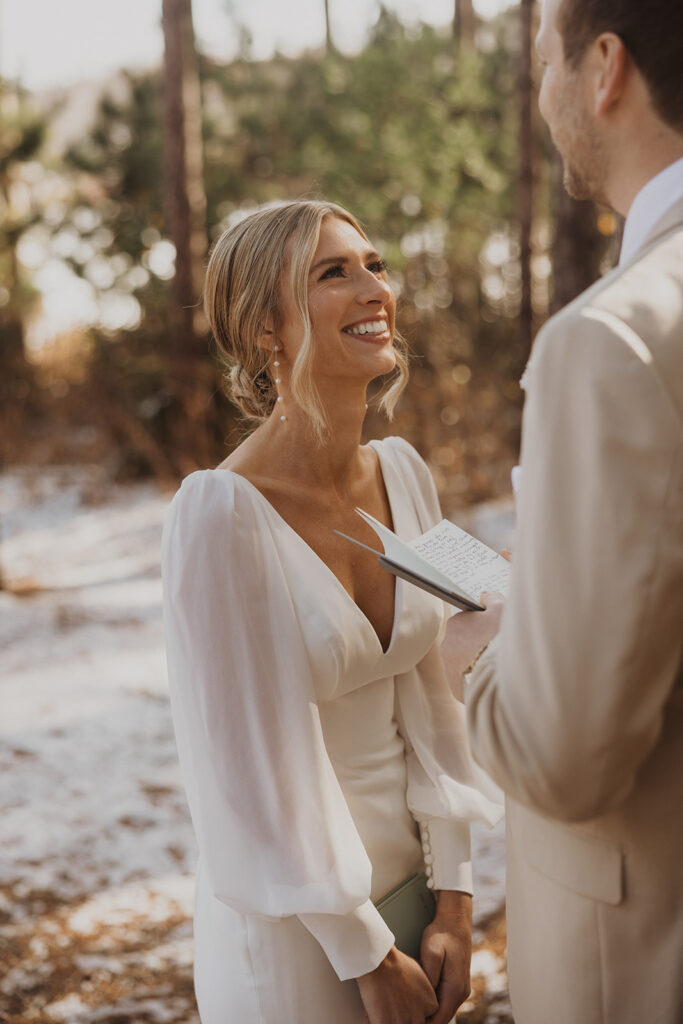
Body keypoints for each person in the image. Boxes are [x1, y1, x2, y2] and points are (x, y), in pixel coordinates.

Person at [161, 199, 503, 1024]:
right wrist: (364, 953)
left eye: (375, 265)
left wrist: (452, 900)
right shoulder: (218, 515)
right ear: (266, 330)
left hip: (415, 894)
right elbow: (242, 770)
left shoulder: (404, 473)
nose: (372, 288)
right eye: (332, 273)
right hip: (297, 932)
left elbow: (451, 666)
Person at [446, 1, 683, 1022]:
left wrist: (488, 647)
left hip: (637, 957)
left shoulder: (612, 342)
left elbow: (561, 755)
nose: (539, 95)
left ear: (603, 69)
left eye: (542, 61)